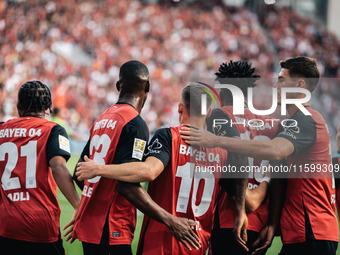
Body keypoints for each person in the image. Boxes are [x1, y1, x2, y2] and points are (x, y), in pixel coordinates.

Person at [181, 57, 339, 255]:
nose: (275, 85)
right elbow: (278, 173)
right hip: (275, 224)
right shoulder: (278, 124)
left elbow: (266, 153)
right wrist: (272, 220)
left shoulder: (305, 120)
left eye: (281, 80)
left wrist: (215, 140)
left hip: (291, 226)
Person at [75, 82, 248, 254]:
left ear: (180, 108)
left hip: (159, 244)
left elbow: (148, 171)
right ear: (209, 113)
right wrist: (242, 211)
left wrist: (98, 169)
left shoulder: (168, 137)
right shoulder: (221, 151)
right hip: (197, 244)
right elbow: (240, 182)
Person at [69, 61, 200, 255]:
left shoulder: (102, 119)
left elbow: (80, 173)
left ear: (117, 86)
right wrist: (170, 220)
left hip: (90, 227)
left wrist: (91, 203)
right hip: (112, 226)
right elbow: (127, 186)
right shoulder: (135, 123)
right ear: (147, 87)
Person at [205, 61, 279, 254]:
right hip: (261, 224)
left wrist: (241, 208)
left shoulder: (220, 115)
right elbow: (282, 174)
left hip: (231, 219)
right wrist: (272, 223)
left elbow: (234, 158)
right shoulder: (272, 123)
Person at [0, 81, 80, 254]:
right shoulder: (53, 130)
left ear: (19, 105)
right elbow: (58, 167)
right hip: (41, 224)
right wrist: (78, 206)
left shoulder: (2, 129)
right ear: (48, 107)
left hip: (6, 224)